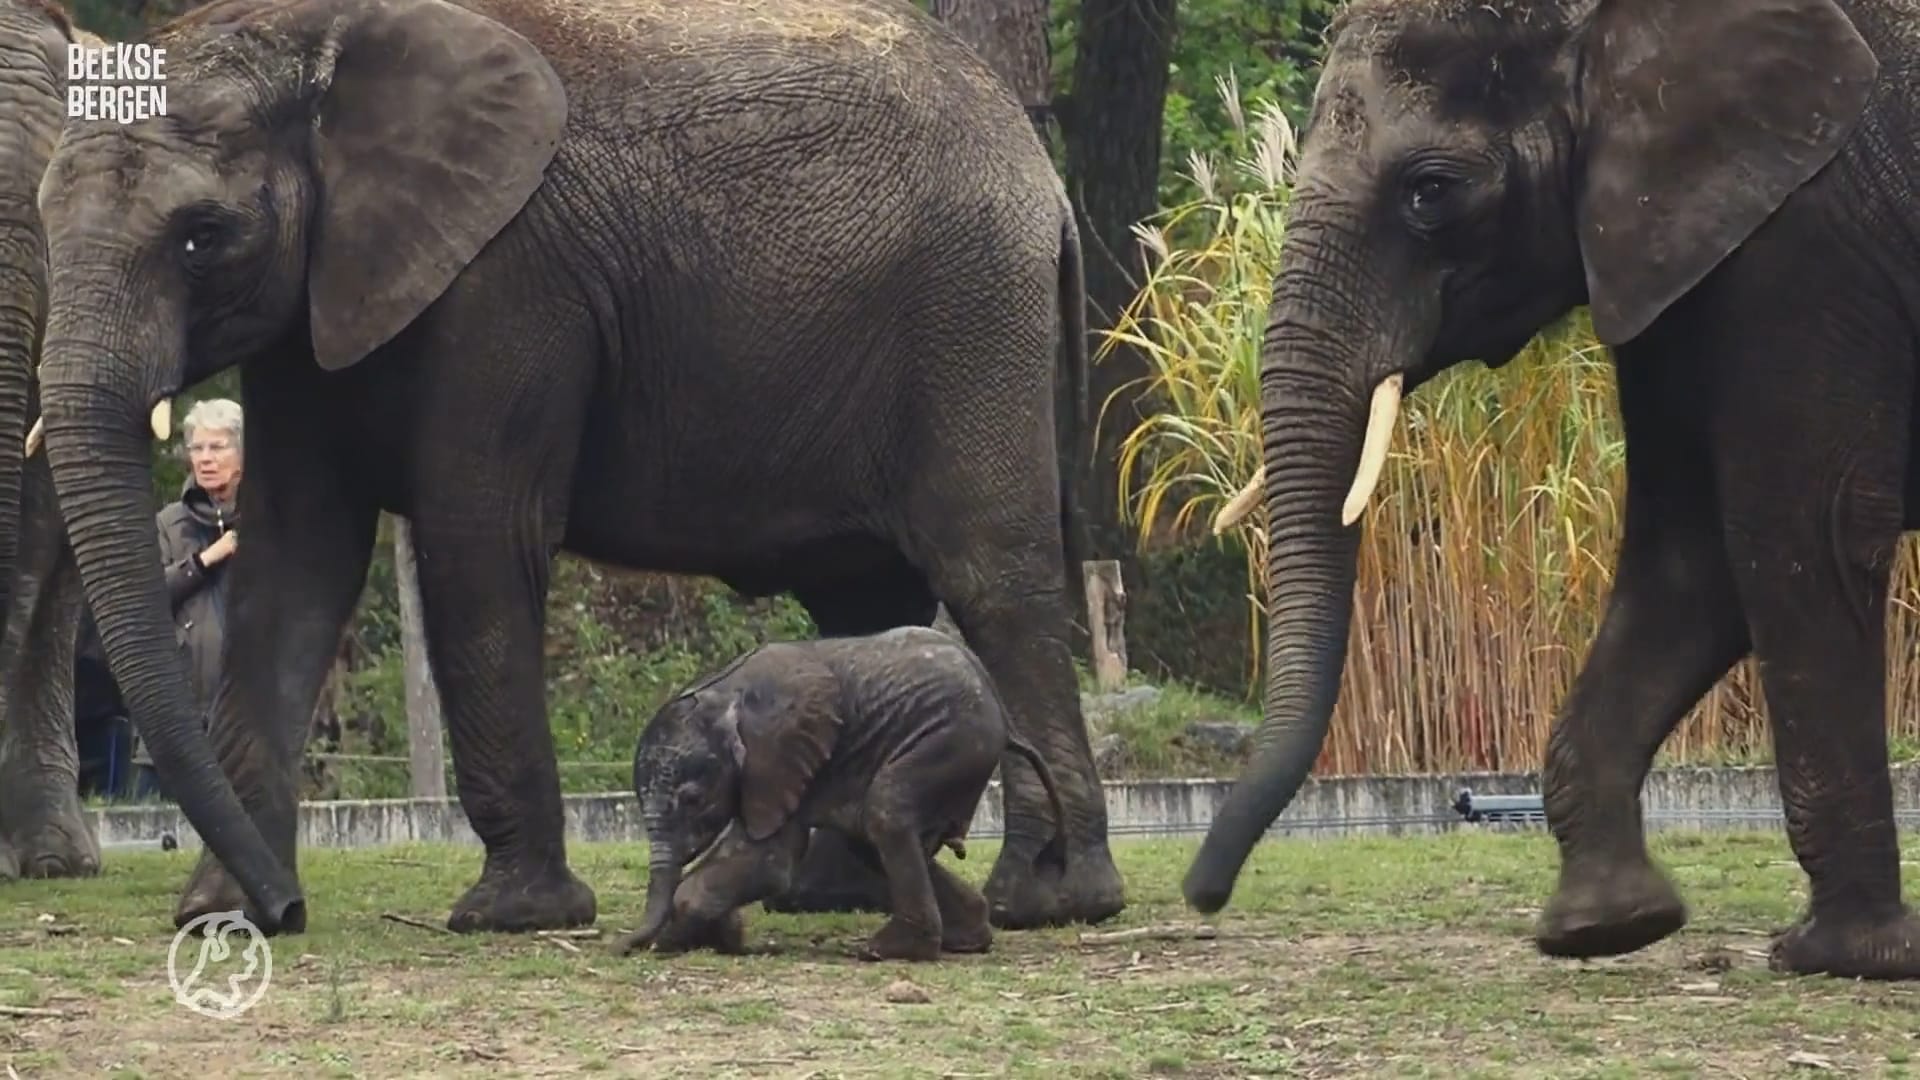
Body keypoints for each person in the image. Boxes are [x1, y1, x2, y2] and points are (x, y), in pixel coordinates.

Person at [127, 398, 245, 797]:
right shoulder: (168, 522)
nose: (206, 459)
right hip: (175, 710)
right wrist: (207, 559)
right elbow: (145, 596)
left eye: (218, 447)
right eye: (197, 448)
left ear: (243, 454)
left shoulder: (269, 517)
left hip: (246, 714)